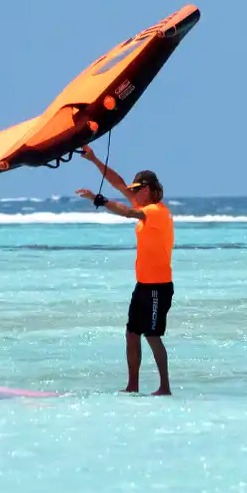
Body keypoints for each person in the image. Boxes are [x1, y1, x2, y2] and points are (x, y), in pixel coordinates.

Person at [75, 144, 174, 395]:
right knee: (132, 334)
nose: (133, 193)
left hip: (158, 287)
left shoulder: (156, 212)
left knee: (152, 335)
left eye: (137, 190)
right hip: (143, 284)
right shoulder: (144, 207)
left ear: (149, 190)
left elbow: (128, 212)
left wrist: (99, 200)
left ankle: (164, 387)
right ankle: (133, 386)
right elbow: (118, 183)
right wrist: (94, 160)